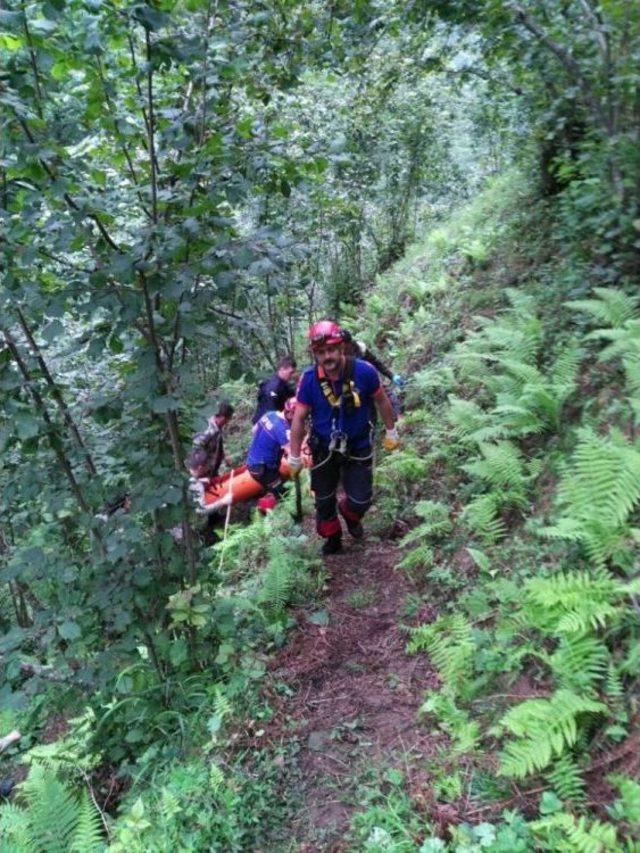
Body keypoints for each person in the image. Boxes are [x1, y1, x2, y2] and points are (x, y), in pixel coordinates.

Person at [288, 321, 400, 555]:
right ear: (315, 354)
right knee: (324, 501)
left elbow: (381, 400)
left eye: (331, 350)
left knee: (361, 500)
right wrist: (295, 455)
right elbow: (298, 418)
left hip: (357, 445)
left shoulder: (364, 372)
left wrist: (391, 430)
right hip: (323, 448)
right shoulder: (309, 380)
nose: (327, 356)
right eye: (321, 352)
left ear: (341, 348)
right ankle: (333, 538)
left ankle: (350, 513)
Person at [246, 397, 297, 512]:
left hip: (253, 463)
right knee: (283, 493)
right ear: (291, 414)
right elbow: (292, 456)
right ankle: (263, 512)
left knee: (277, 486)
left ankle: (263, 507)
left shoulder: (269, 414)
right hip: (263, 468)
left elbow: (254, 430)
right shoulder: (284, 431)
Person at [189, 402, 234, 480]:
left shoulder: (217, 427)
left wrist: (223, 456)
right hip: (201, 469)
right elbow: (196, 446)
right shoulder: (207, 429)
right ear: (223, 418)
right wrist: (199, 465)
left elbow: (217, 444)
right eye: (227, 420)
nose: (227, 422)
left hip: (211, 467)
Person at [252, 355, 297, 424]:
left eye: (293, 372)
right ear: (282, 369)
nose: (292, 375)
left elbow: (292, 394)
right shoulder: (273, 387)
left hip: (271, 419)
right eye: (291, 372)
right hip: (265, 424)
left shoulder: (282, 382)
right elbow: (270, 410)